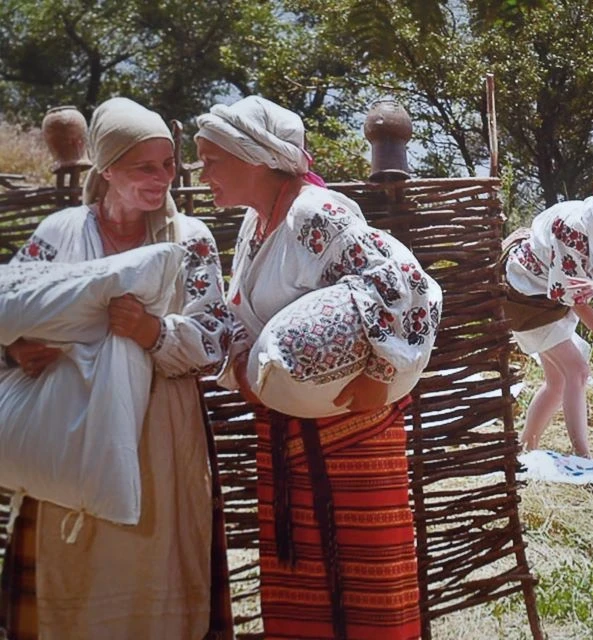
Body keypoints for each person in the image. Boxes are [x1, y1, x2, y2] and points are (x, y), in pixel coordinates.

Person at [195, 95, 441, 640]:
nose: (202, 172)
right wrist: (241, 369)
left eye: (211, 160)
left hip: (352, 432)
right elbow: (246, 316)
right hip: (289, 432)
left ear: (254, 156)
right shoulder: (256, 226)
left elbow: (406, 285)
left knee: (365, 575)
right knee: (301, 573)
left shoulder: (316, 214)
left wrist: (380, 375)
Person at [0, 97, 233, 639]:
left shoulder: (189, 239)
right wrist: (13, 352)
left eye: (169, 164)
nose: (162, 179)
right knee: (68, 565)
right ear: (106, 169)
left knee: (160, 565)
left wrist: (153, 332)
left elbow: (219, 335)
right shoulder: (58, 236)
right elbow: (9, 309)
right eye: (143, 166)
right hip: (68, 425)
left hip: (160, 431)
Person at [502, 166, 593, 458]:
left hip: (554, 296)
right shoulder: (574, 228)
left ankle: (526, 449)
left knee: (558, 382)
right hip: (527, 296)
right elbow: (576, 300)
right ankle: (582, 456)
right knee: (578, 371)